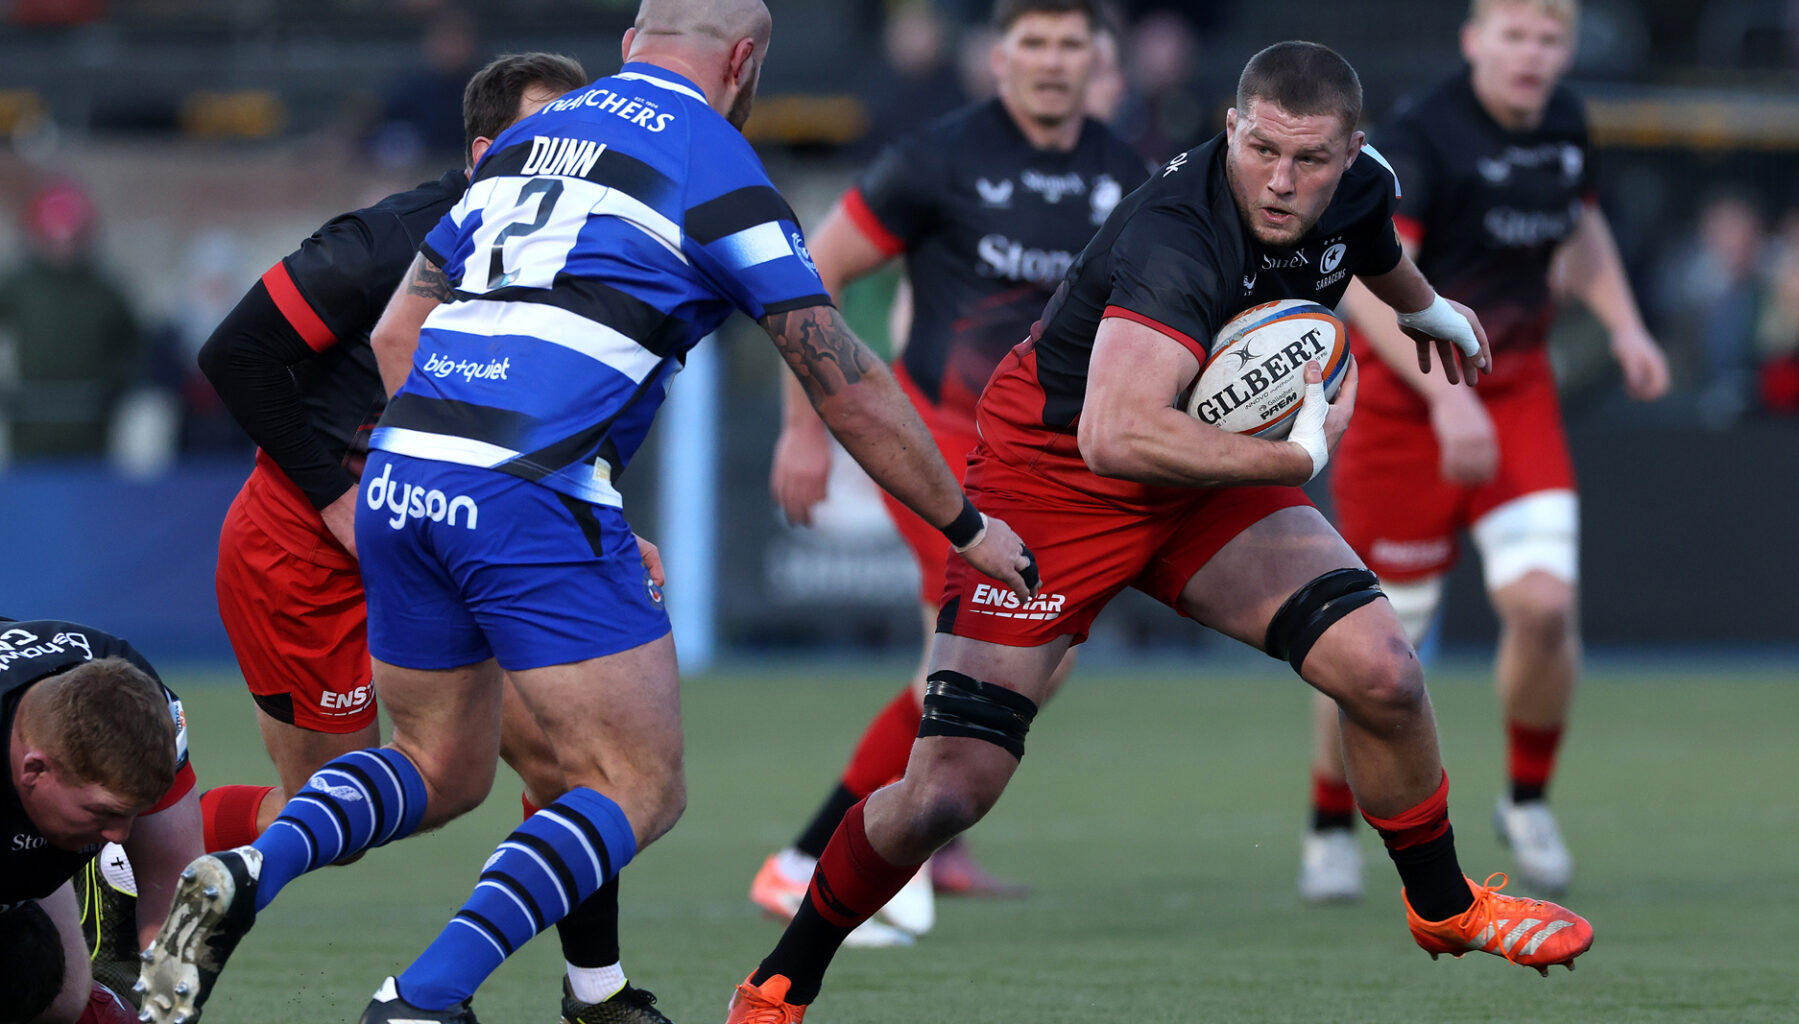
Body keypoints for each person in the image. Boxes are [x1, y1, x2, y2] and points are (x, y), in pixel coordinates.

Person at [136, 3, 1035, 1023]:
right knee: (637, 786)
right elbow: (847, 380)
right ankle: (422, 997)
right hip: (522, 493)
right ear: (743, 62)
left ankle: (254, 868)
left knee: (440, 768)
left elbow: (399, 332)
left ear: (627, 46)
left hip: (406, 473)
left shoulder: (524, 142)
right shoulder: (716, 161)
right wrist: (968, 525)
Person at [725, 39, 1596, 1022]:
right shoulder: (1177, 238)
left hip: (1200, 460)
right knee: (945, 791)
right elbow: (1114, 433)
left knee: (1384, 669)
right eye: (1262, 149)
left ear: (1352, 152)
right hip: (1058, 474)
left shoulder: (1358, 184)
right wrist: (1292, 457)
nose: (1281, 179)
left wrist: (1428, 308)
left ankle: (1443, 906)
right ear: (1231, 126)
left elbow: (1372, 244)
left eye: (1310, 160)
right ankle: (781, 979)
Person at [190, 52, 674, 1024]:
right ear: (489, 151)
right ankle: (145, 842)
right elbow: (233, 355)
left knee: (572, 757)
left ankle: (597, 991)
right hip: (306, 545)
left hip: (457, 531)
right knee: (336, 805)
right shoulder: (388, 242)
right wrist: (333, 495)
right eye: (550, 140)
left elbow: (541, 416)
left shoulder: (572, 249)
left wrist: (602, 517)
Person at [755, 0, 1148, 941]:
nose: (1053, 61)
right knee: (981, 664)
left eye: (1071, 44)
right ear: (999, 57)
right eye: (1035, 43)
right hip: (946, 456)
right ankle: (808, 859)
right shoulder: (940, 156)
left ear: (1099, 60)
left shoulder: (1126, 174)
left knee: (1031, 669)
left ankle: (932, 837)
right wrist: (806, 429)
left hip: (1053, 464)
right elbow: (813, 273)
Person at [1299, 0, 1669, 904]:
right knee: (1377, 653)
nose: (1532, 54)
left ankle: (1528, 800)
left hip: (1515, 392)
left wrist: (1625, 326)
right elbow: (1368, 288)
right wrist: (1444, 398)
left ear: (1566, 48)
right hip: (1403, 410)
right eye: (1514, 34)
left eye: (1549, 37)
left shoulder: (1568, 121)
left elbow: (1579, 229)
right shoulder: (1420, 138)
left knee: (1544, 606)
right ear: (1475, 42)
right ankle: (1328, 821)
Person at [0, 617, 201, 1024]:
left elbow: (173, 898)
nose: (119, 837)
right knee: (16, 970)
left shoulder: (142, 708)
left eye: (133, 812)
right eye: (103, 813)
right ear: (35, 770)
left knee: (63, 998)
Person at [0, 181, 142, 459]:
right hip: (31, 422)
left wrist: (116, 387)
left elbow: (134, 346)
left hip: (90, 424)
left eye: (70, 240)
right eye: (54, 240)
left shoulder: (105, 290)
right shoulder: (18, 287)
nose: (63, 249)